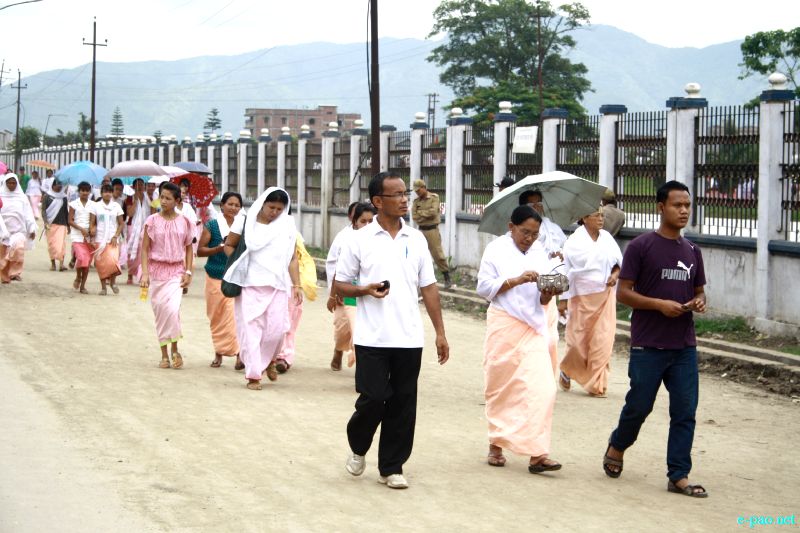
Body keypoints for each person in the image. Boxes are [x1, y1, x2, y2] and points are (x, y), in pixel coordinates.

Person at [336, 171, 450, 490]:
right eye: (397, 195)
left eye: (405, 194)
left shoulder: (416, 239)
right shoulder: (358, 240)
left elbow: (429, 287)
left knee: (403, 403)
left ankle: (392, 466)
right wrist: (364, 289)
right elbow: (340, 284)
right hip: (371, 336)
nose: (404, 200)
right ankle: (359, 446)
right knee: (373, 399)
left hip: (408, 337)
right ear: (377, 201)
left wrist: (440, 333)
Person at [603, 180, 709, 499]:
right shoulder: (641, 247)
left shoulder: (693, 251)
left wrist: (699, 302)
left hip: (684, 346)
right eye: (677, 205)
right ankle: (618, 444)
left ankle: (678, 474)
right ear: (661, 207)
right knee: (639, 406)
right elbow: (623, 293)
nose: (684, 210)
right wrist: (659, 305)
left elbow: (700, 291)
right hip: (648, 344)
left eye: (687, 205)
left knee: (685, 411)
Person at [476, 204, 564, 474]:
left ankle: (538, 454)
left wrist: (547, 293)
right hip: (505, 323)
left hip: (534, 326)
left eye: (535, 234)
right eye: (525, 232)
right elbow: (483, 288)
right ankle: (496, 444)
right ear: (511, 227)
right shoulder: (496, 250)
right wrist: (516, 280)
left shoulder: (539, 252)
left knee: (543, 390)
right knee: (502, 388)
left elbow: (544, 296)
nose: (529, 238)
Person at [223, 187, 302, 391]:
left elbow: (292, 258)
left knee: (277, 331)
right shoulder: (245, 221)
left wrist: (297, 285)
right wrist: (240, 264)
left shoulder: (287, 225)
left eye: (279, 208)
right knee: (251, 332)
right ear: (262, 203)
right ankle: (254, 376)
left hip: (278, 285)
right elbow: (229, 245)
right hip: (250, 284)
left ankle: (270, 361)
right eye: (271, 207)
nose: (275, 212)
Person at [557, 207, 622, 397]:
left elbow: (618, 263)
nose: (601, 219)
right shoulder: (573, 242)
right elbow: (565, 271)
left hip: (605, 295)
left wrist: (615, 275)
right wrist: (563, 300)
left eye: (602, 215)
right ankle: (568, 369)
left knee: (603, 340)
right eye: (596, 215)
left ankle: (597, 384)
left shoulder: (607, 238)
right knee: (577, 343)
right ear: (584, 218)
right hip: (581, 297)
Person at [140, 182, 195, 369]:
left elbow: (189, 248)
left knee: (172, 310)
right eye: (161, 197)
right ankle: (164, 354)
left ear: (177, 201)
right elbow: (145, 249)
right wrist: (145, 273)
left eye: (168, 198)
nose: (163, 201)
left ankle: (175, 350)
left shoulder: (185, 222)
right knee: (161, 313)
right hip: (157, 272)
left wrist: (188, 271)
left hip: (176, 272)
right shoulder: (151, 221)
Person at [519, 189, 567, 374]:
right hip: (527, 291)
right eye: (532, 204)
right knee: (530, 340)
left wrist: (560, 254)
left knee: (551, 339)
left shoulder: (552, 227)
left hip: (549, 288)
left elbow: (564, 247)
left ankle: (546, 376)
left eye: (539, 203)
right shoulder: (518, 233)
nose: (537, 207)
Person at [326, 202, 376, 371]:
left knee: (359, 333)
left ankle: (363, 372)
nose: (367, 225)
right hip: (346, 293)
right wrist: (333, 295)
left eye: (371, 221)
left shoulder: (380, 241)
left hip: (368, 295)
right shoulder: (345, 239)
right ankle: (338, 349)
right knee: (342, 329)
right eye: (363, 221)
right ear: (354, 221)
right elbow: (335, 269)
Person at [198, 191, 244, 370]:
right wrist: (218, 249)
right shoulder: (212, 225)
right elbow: (200, 251)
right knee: (217, 317)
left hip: (235, 278)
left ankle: (240, 355)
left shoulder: (243, 226)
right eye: (230, 204)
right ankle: (218, 352)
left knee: (234, 317)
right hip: (215, 276)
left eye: (237, 205)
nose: (233, 208)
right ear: (222, 205)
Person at [274, 228, 317, 373]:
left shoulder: (292, 233)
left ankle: (284, 356)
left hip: (290, 285)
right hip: (267, 285)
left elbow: (300, 259)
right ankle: (268, 355)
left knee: (289, 323)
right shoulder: (258, 229)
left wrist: (298, 285)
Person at [411, 178, 452, 289]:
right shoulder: (416, 201)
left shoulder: (434, 198)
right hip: (421, 230)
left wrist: (420, 213)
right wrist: (424, 215)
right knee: (418, 255)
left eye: (418, 190)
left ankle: (447, 277)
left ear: (424, 187)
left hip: (432, 230)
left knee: (438, 254)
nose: (417, 192)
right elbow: (414, 216)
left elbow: (433, 213)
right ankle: (418, 279)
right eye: (416, 191)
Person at [0, 174, 37, 283]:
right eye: (9, 183)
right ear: (5, 183)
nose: (12, 185)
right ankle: (5, 277)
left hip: (18, 231)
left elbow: (28, 214)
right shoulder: (1, 196)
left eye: (14, 183)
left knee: (18, 249)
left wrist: (31, 228)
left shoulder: (22, 197)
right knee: (3, 256)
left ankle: (15, 273)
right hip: (3, 232)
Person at [90, 183, 125, 295]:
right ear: (101, 193)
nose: (107, 194)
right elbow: (92, 222)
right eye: (105, 192)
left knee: (113, 262)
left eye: (110, 192)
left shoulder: (116, 206)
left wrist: (116, 235)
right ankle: (103, 288)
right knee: (101, 264)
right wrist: (92, 230)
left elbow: (121, 223)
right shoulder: (95, 206)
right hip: (100, 239)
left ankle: (113, 282)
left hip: (112, 239)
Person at [68, 182, 95, 294]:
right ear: (79, 191)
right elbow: (70, 220)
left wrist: (91, 230)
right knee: (82, 258)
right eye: (82, 190)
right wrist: (81, 229)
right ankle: (78, 276)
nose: (85, 192)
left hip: (88, 237)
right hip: (77, 236)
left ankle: (83, 286)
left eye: (87, 190)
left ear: (90, 192)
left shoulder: (93, 204)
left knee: (87, 262)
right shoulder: (73, 204)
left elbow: (93, 220)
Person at [125, 178, 152, 284]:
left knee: (143, 250)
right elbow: (130, 213)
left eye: (142, 185)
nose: (140, 187)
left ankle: (141, 274)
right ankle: (130, 274)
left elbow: (152, 212)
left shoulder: (148, 198)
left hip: (145, 227)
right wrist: (135, 201)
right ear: (133, 187)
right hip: (132, 226)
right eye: (138, 185)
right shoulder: (130, 198)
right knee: (132, 251)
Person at [41, 178, 70, 271]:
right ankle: (53, 264)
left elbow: (66, 212)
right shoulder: (46, 196)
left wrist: (68, 225)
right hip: (50, 224)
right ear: (52, 185)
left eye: (60, 184)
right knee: (52, 245)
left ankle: (61, 264)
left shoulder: (64, 197)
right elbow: (43, 210)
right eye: (57, 184)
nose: (59, 186)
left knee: (61, 244)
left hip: (62, 224)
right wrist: (45, 222)